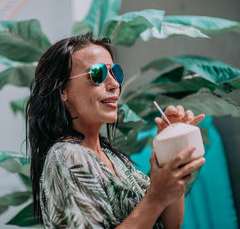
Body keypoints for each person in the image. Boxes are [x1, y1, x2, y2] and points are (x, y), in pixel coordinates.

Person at [25, 33, 206, 228]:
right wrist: (156, 198)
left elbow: (170, 224)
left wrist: (171, 153)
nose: (114, 84)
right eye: (97, 74)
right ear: (63, 91)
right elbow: (156, 203)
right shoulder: (67, 156)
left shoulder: (112, 158)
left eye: (115, 73)